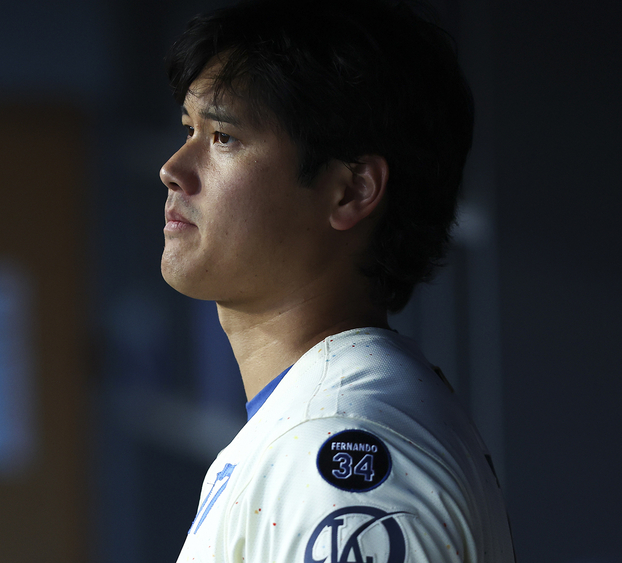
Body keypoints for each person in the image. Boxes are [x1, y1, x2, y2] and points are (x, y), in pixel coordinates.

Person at [158, 0, 515, 561]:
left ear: (351, 191)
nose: (173, 169)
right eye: (189, 130)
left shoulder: (338, 447)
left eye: (223, 137)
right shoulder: (320, 420)